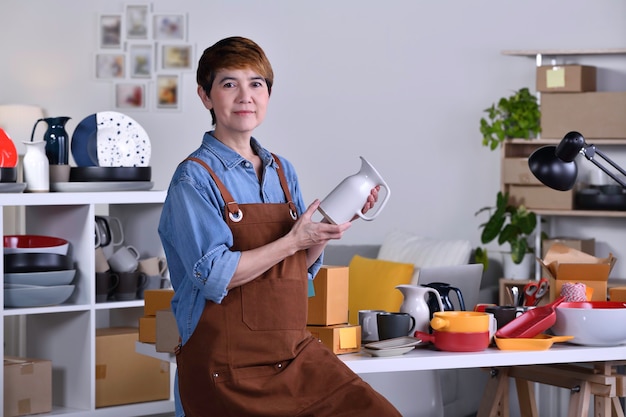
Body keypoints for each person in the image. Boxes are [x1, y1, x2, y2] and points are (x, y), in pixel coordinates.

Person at [158, 36, 401, 417]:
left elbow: (297, 267)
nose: (245, 96)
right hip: (225, 369)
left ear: (268, 94)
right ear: (205, 96)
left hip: (293, 356)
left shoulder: (282, 171)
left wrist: (330, 228)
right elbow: (215, 276)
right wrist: (293, 241)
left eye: (256, 84)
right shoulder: (193, 179)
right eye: (228, 84)